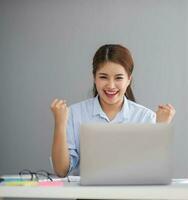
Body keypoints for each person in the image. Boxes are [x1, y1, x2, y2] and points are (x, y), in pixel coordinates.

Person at [50, 44, 176, 177]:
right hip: (87, 195)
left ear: (129, 80)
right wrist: (60, 123)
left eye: (118, 78)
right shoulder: (74, 113)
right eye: (103, 77)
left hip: (131, 195)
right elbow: (61, 170)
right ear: (94, 78)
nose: (111, 85)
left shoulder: (146, 117)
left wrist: (161, 129)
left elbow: (153, 172)